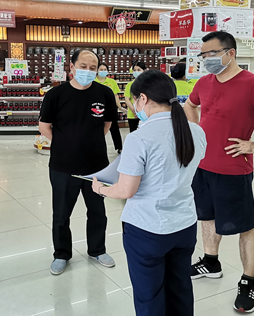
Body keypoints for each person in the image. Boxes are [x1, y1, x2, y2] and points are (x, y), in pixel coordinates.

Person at [185, 31, 254, 313]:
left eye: (211, 54)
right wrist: (196, 134)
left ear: (230, 53)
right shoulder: (204, 82)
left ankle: (248, 281)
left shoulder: (253, 84)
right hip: (202, 166)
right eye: (203, 55)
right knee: (207, 217)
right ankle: (211, 262)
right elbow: (190, 105)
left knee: (245, 225)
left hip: (234, 169)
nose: (206, 59)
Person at [92, 70, 207, 316]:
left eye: (135, 100)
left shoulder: (139, 138)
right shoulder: (196, 132)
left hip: (147, 228)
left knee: (149, 296)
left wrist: (100, 188)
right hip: (185, 224)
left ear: (142, 98)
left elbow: (126, 189)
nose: (134, 106)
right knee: (180, 287)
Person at [39, 49, 118, 275]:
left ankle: (97, 250)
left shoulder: (104, 93)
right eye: (83, 66)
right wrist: (65, 144)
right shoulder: (56, 94)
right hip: (63, 166)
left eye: (93, 68)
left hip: (96, 166)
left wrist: (89, 142)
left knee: (97, 211)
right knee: (61, 213)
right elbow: (44, 126)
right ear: (72, 67)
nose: (88, 71)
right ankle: (61, 254)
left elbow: (107, 124)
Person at [96, 62, 126, 154]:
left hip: (110, 108)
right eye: (101, 69)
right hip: (97, 108)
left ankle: (119, 147)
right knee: (97, 129)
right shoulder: (93, 81)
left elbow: (116, 96)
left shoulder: (112, 82)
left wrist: (120, 107)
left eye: (105, 70)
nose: (103, 71)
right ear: (97, 70)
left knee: (115, 129)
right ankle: (96, 147)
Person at [124, 61, 147, 132]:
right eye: (134, 70)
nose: (136, 72)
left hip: (146, 114)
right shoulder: (129, 85)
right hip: (132, 115)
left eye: (139, 70)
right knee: (133, 133)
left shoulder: (148, 84)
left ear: (144, 71)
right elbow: (127, 99)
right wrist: (134, 111)